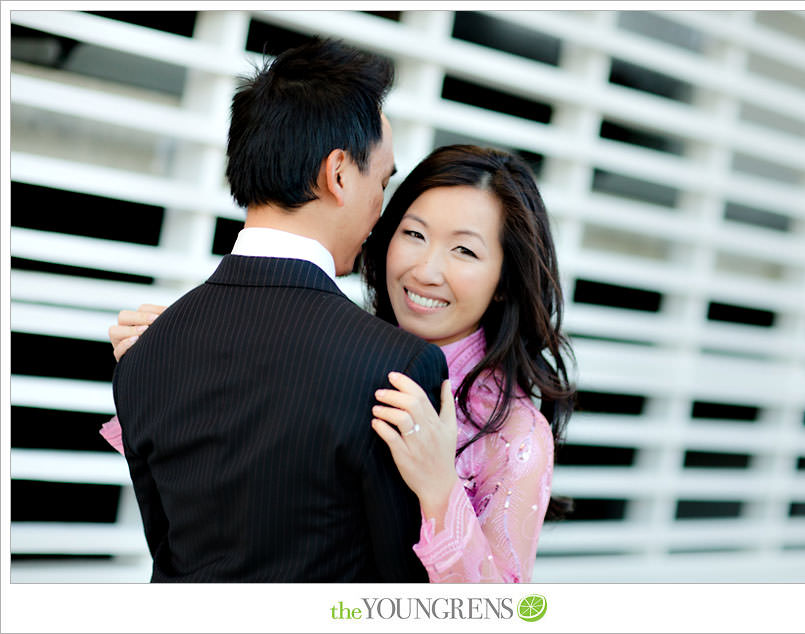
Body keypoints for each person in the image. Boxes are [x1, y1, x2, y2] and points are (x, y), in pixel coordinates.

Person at [108, 144, 575, 583]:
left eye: (464, 250)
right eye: (414, 234)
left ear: (504, 281)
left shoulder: (515, 436)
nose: (426, 271)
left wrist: (440, 488)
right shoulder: (338, 355)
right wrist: (171, 358)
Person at [109, 37, 449, 583]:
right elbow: (407, 592)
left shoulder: (146, 353)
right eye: (381, 182)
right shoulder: (399, 369)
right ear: (339, 174)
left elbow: (167, 562)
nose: (379, 212)